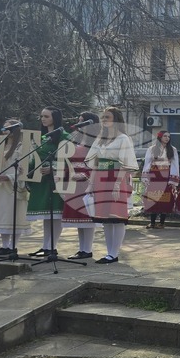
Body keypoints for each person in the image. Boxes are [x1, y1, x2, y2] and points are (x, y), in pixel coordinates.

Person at [85, 107, 138, 264]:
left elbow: (125, 164)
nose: (104, 120)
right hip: (101, 178)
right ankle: (109, 252)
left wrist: (117, 185)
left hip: (116, 177)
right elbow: (94, 163)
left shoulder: (123, 139)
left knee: (117, 216)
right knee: (105, 217)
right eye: (103, 117)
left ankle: (114, 253)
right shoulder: (100, 138)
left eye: (107, 117)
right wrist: (90, 185)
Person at [26, 107, 70, 256]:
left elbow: (69, 160)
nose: (43, 119)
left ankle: (52, 246)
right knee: (46, 215)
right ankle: (45, 246)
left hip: (56, 181)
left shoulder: (64, 137)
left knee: (55, 213)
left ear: (55, 118)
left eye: (46, 116)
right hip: (41, 180)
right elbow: (36, 158)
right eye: (41, 116)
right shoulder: (43, 138)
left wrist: (53, 168)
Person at [0, 118, 30, 256]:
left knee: (13, 216)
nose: (4, 130)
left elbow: (24, 168)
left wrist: (10, 177)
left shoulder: (22, 145)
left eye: (8, 128)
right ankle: (4, 245)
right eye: (3, 128)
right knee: (2, 216)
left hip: (13, 186)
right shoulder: (0, 145)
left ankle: (13, 246)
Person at [60, 112, 100, 259]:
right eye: (79, 121)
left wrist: (86, 175)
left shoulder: (96, 141)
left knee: (87, 215)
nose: (79, 124)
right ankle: (81, 248)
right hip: (73, 181)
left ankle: (87, 249)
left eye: (82, 122)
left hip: (88, 182)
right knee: (78, 217)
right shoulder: (76, 140)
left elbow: (99, 163)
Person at [141, 130, 178, 228]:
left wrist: (173, 179)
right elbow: (147, 163)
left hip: (166, 176)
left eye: (168, 137)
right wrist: (145, 177)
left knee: (165, 199)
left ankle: (162, 223)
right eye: (165, 136)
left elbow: (174, 165)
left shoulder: (172, 149)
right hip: (154, 176)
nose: (167, 138)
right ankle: (152, 222)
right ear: (160, 137)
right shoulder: (152, 149)